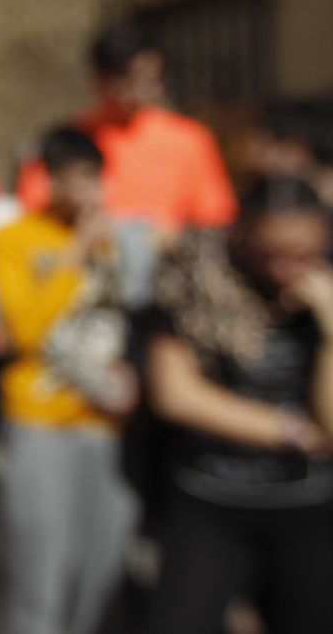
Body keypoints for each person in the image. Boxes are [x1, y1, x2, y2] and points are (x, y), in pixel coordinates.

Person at [143, 177, 333, 633]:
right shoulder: (194, 275)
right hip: (210, 497)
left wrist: (331, 334)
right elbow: (177, 395)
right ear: (243, 235)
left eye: (302, 252)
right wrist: (288, 429)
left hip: (308, 506)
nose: (287, 268)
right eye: (272, 253)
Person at [0, 126, 140, 634]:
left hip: (106, 424)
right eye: (76, 179)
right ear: (50, 180)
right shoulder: (12, 239)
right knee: (42, 576)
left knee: (100, 573)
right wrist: (77, 250)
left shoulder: (117, 242)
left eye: (94, 178)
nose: (88, 191)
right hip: (40, 421)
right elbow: (27, 331)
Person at [18, 23, 236, 234]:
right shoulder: (68, 141)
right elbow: (33, 211)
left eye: (151, 80)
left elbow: (215, 218)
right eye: (131, 79)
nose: (144, 91)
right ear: (99, 80)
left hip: (167, 264)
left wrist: (164, 234)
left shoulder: (189, 139)